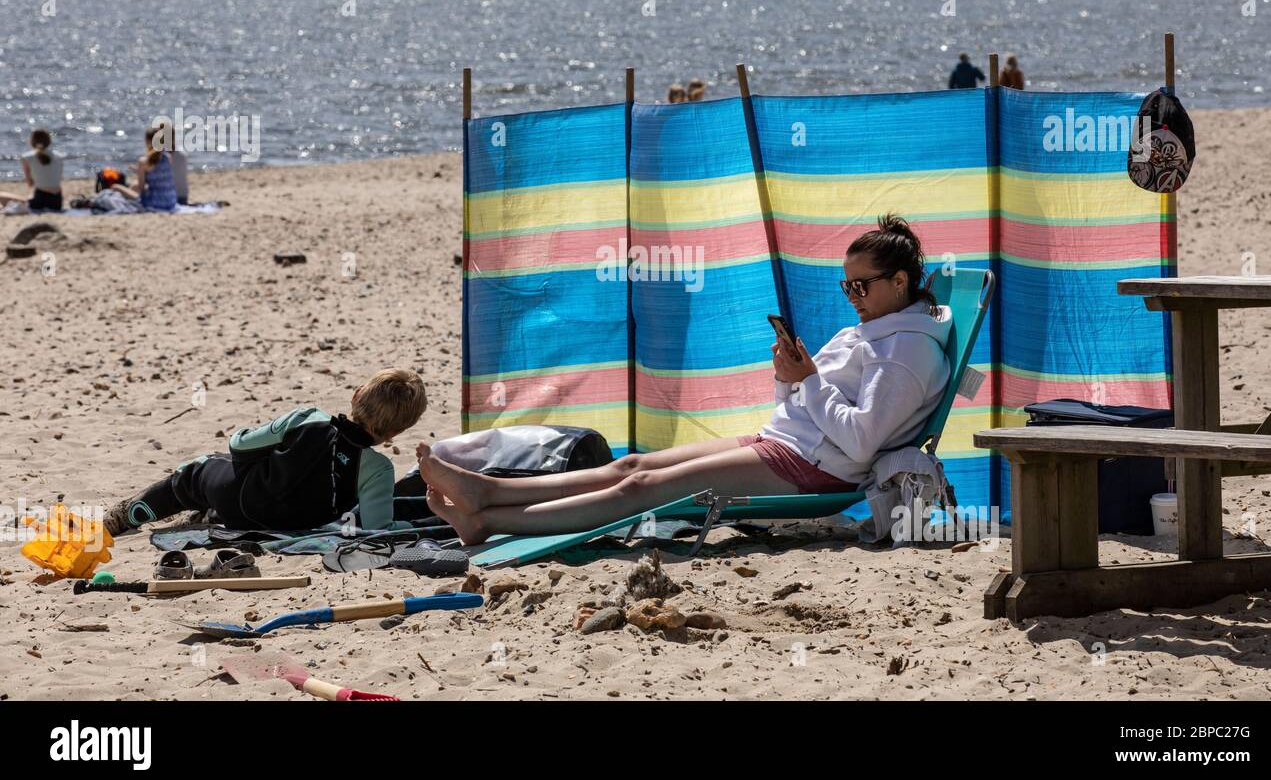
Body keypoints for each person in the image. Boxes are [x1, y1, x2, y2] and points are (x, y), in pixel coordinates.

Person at [418, 214, 952, 544]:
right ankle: (486, 492)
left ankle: (490, 520)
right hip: (786, 443)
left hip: (817, 467)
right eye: (847, 286)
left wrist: (807, 382)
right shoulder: (876, 329)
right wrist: (788, 378)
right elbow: (807, 400)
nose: (852, 297)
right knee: (632, 464)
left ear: (900, 281)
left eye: (861, 287)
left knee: (642, 489)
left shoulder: (904, 351)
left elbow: (862, 440)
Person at [102, 368, 428, 536]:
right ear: (396, 432)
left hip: (240, 499)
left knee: (197, 472)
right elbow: (377, 529)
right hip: (291, 524)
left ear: (356, 395)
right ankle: (208, 516)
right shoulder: (378, 469)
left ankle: (124, 517)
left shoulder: (307, 420)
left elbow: (240, 444)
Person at [0, 129, 64, 212]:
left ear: (31, 141)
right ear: (49, 141)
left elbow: (30, 184)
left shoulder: (27, 157)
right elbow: (57, 179)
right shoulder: (59, 156)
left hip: (40, 200)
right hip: (57, 201)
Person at [135, 123, 178, 211]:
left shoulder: (143, 161)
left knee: (116, 187)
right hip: (171, 201)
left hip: (154, 202)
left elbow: (141, 188)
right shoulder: (168, 157)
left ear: (147, 140)